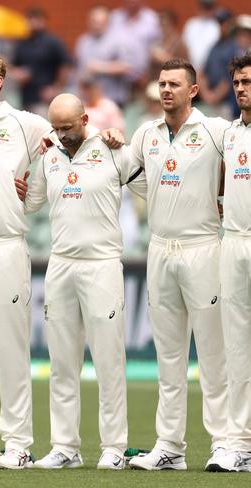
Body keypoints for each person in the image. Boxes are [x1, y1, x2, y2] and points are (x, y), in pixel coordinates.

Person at [0, 51, 124, 470]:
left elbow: (73, 132)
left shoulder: (25, 124)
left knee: (11, 351)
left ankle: (17, 443)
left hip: (4, 247)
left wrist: (109, 133)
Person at [18, 94, 146, 470]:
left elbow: (148, 188)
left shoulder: (111, 149)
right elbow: (32, 203)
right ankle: (64, 447)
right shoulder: (50, 154)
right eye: (55, 127)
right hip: (61, 264)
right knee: (62, 362)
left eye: (67, 127)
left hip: (102, 264)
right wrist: (26, 178)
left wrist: (120, 138)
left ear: (85, 118)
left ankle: (113, 448)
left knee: (108, 360)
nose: (61, 135)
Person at [128, 59, 229, 471]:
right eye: (161, 84)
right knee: (168, 356)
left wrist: (224, 199)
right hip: (159, 248)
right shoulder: (146, 133)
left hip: (202, 246)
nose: (165, 90)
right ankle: (169, 446)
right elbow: (131, 175)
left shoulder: (216, 130)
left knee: (212, 353)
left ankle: (227, 442)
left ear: (193, 90)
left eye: (174, 84)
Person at [208, 53, 251, 473]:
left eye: (248, 82)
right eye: (237, 82)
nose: (241, 89)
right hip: (234, 243)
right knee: (237, 348)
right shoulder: (231, 133)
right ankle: (239, 442)